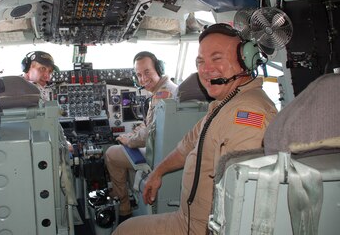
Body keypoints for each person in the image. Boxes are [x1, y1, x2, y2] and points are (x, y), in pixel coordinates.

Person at [112, 23, 278, 235]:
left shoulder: (246, 115)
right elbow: (185, 146)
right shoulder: (222, 104)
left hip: (203, 228)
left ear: (246, 59)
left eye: (217, 59)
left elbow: (240, 202)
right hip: (187, 218)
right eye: (200, 62)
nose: (206, 70)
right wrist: (158, 172)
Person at [105, 51, 178, 223]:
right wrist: (133, 133)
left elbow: (147, 136)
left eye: (147, 72)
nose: (143, 79)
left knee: (111, 153)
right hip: (167, 147)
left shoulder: (162, 95)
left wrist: (128, 139)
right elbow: (150, 125)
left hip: (159, 155)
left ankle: (124, 207)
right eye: (138, 74)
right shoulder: (166, 89)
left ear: (158, 69)